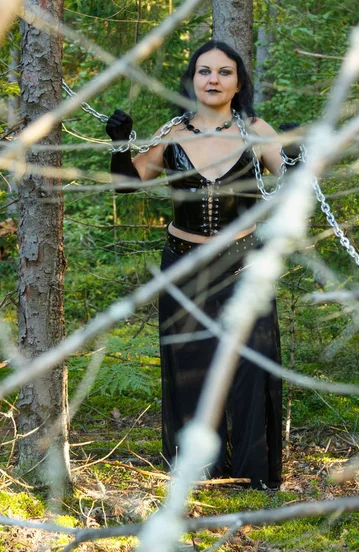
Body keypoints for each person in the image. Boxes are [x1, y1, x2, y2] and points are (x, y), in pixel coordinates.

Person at [106, 40, 302, 489]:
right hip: (182, 266)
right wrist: (119, 145)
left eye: (224, 72)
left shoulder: (256, 130)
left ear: (238, 82)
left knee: (250, 366)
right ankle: (200, 473)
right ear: (192, 80)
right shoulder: (173, 133)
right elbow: (127, 186)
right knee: (189, 365)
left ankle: (255, 473)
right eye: (204, 71)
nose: (213, 79)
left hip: (243, 266)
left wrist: (296, 152)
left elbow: (296, 184)